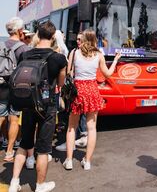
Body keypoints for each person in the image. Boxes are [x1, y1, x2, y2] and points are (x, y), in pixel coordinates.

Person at [9, 21, 67, 192]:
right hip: (47, 106)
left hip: (27, 104)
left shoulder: (25, 55)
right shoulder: (58, 58)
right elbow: (61, 84)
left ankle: (14, 182)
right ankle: (40, 185)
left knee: (24, 143)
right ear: (53, 36)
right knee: (43, 149)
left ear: (37, 34)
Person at [63, 29, 121, 171]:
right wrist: (115, 61)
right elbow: (107, 74)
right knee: (92, 128)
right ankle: (87, 161)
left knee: (71, 127)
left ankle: (69, 160)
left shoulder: (74, 53)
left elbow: (68, 73)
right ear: (94, 40)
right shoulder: (99, 55)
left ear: (83, 39)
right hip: (92, 90)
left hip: (77, 91)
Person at [0, 17, 30, 162]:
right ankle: (10, 151)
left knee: (1, 115)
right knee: (13, 119)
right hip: (15, 87)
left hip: (1, 85)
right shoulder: (23, 48)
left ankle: (4, 141)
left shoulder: (1, 44)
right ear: (19, 31)